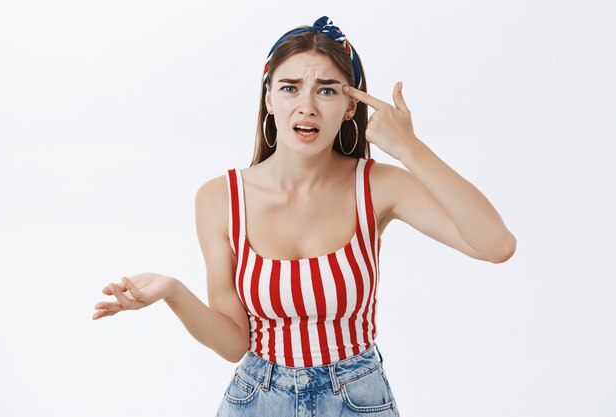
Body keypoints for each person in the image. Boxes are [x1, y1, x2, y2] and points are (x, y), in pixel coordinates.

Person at [92, 16, 516, 417]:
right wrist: (173, 291)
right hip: (256, 399)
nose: (307, 106)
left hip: (358, 399)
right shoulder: (220, 198)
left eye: (328, 90)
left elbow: (496, 245)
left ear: (351, 107)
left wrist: (410, 148)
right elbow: (234, 342)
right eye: (291, 88)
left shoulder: (377, 186)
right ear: (269, 98)